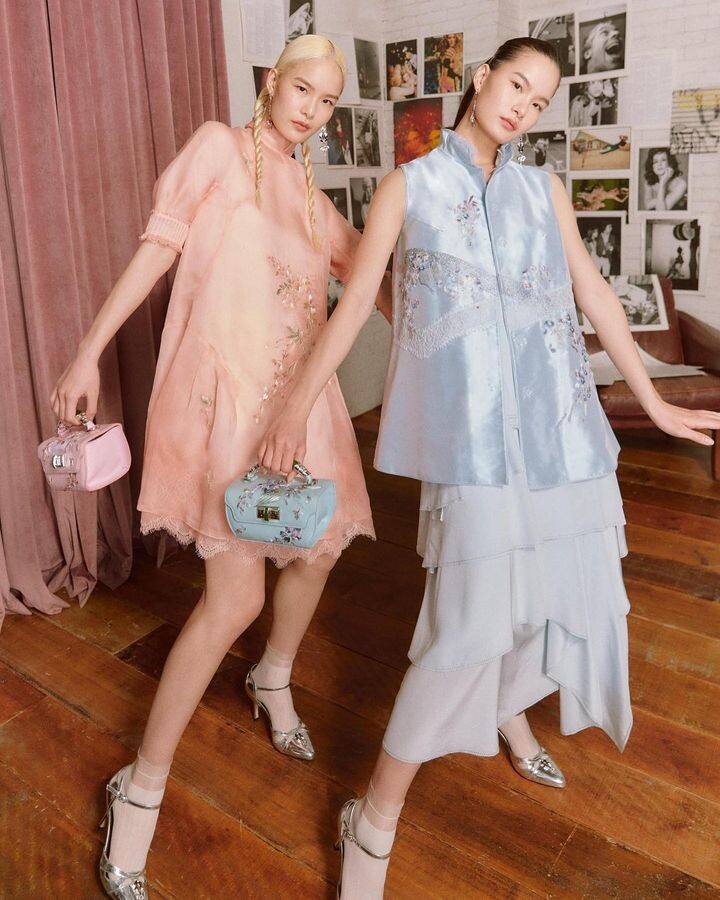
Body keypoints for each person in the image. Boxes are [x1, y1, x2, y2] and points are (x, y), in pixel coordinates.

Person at [259, 36, 720, 898]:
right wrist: (293, 405)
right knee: (466, 626)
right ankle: (374, 815)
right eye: (516, 85)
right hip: (473, 446)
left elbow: (591, 293)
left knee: (558, 600)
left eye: (539, 101)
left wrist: (654, 401)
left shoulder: (544, 189)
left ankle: (509, 712)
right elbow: (354, 306)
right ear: (481, 79)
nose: (523, 107)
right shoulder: (408, 187)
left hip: (565, 437)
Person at [51, 35, 390, 899]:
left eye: (328, 100)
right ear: (272, 83)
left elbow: (376, 279)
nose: (313, 110)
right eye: (303, 90)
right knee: (234, 598)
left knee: (317, 551)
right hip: (225, 407)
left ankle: (272, 676)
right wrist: (88, 350)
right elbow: (158, 247)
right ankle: (139, 789)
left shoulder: (313, 198)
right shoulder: (216, 148)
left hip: (298, 409)